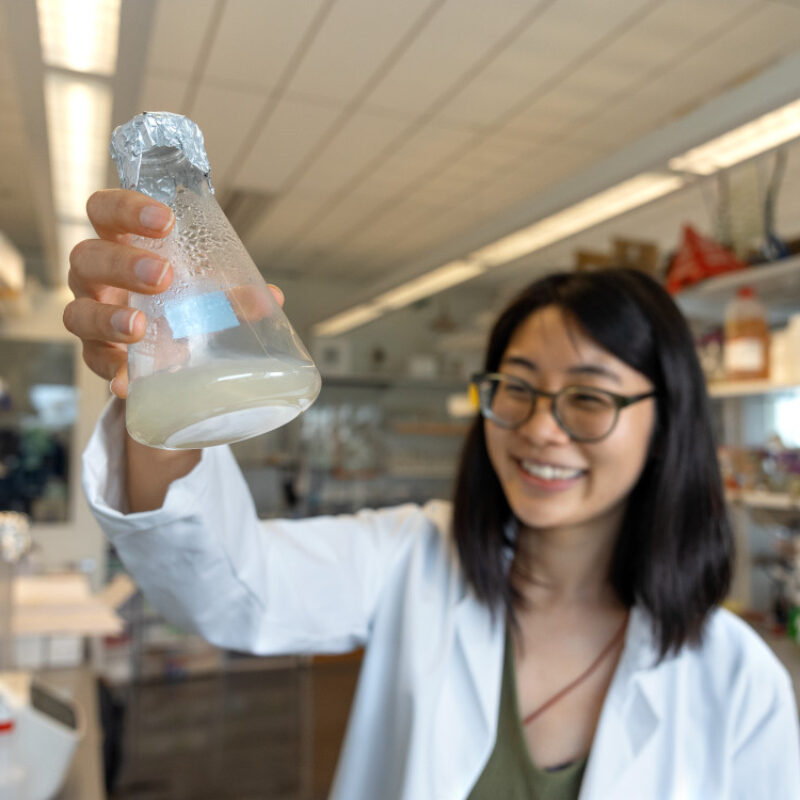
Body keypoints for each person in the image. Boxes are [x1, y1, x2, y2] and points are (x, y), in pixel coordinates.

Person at [65, 189, 800, 800]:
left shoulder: (739, 682)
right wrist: (167, 388)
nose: (541, 429)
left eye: (588, 399)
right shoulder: (413, 559)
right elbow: (228, 589)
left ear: (667, 422)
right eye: (516, 389)